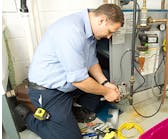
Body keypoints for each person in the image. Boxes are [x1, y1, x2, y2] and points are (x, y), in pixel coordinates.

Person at [25, 4, 124, 139]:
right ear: (102, 20)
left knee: (104, 75)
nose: (109, 37)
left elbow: (91, 62)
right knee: (72, 137)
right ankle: (29, 119)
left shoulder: (89, 29)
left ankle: (75, 111)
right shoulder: (71, 31)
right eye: (110, 31)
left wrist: (106, 83)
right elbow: (79, 80)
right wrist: (106, 92)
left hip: (67, 84)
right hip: (48, 90)